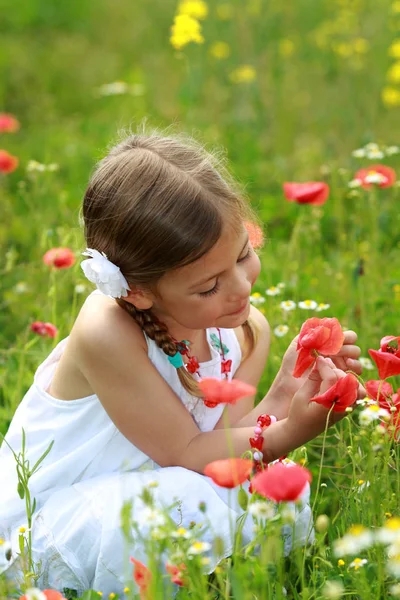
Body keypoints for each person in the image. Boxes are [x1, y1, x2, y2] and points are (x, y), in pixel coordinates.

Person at [0, 126, 363, 596]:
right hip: (54, 527)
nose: (242, 288)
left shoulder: (245, 330)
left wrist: (286, 392)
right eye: (209, 286)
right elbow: (187, 453)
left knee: (270, 487)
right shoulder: (106, 330)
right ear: (138, 291)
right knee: (166, 506)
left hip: (163, 489)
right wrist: (289, 431)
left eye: (244, 255)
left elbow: (221, 443)